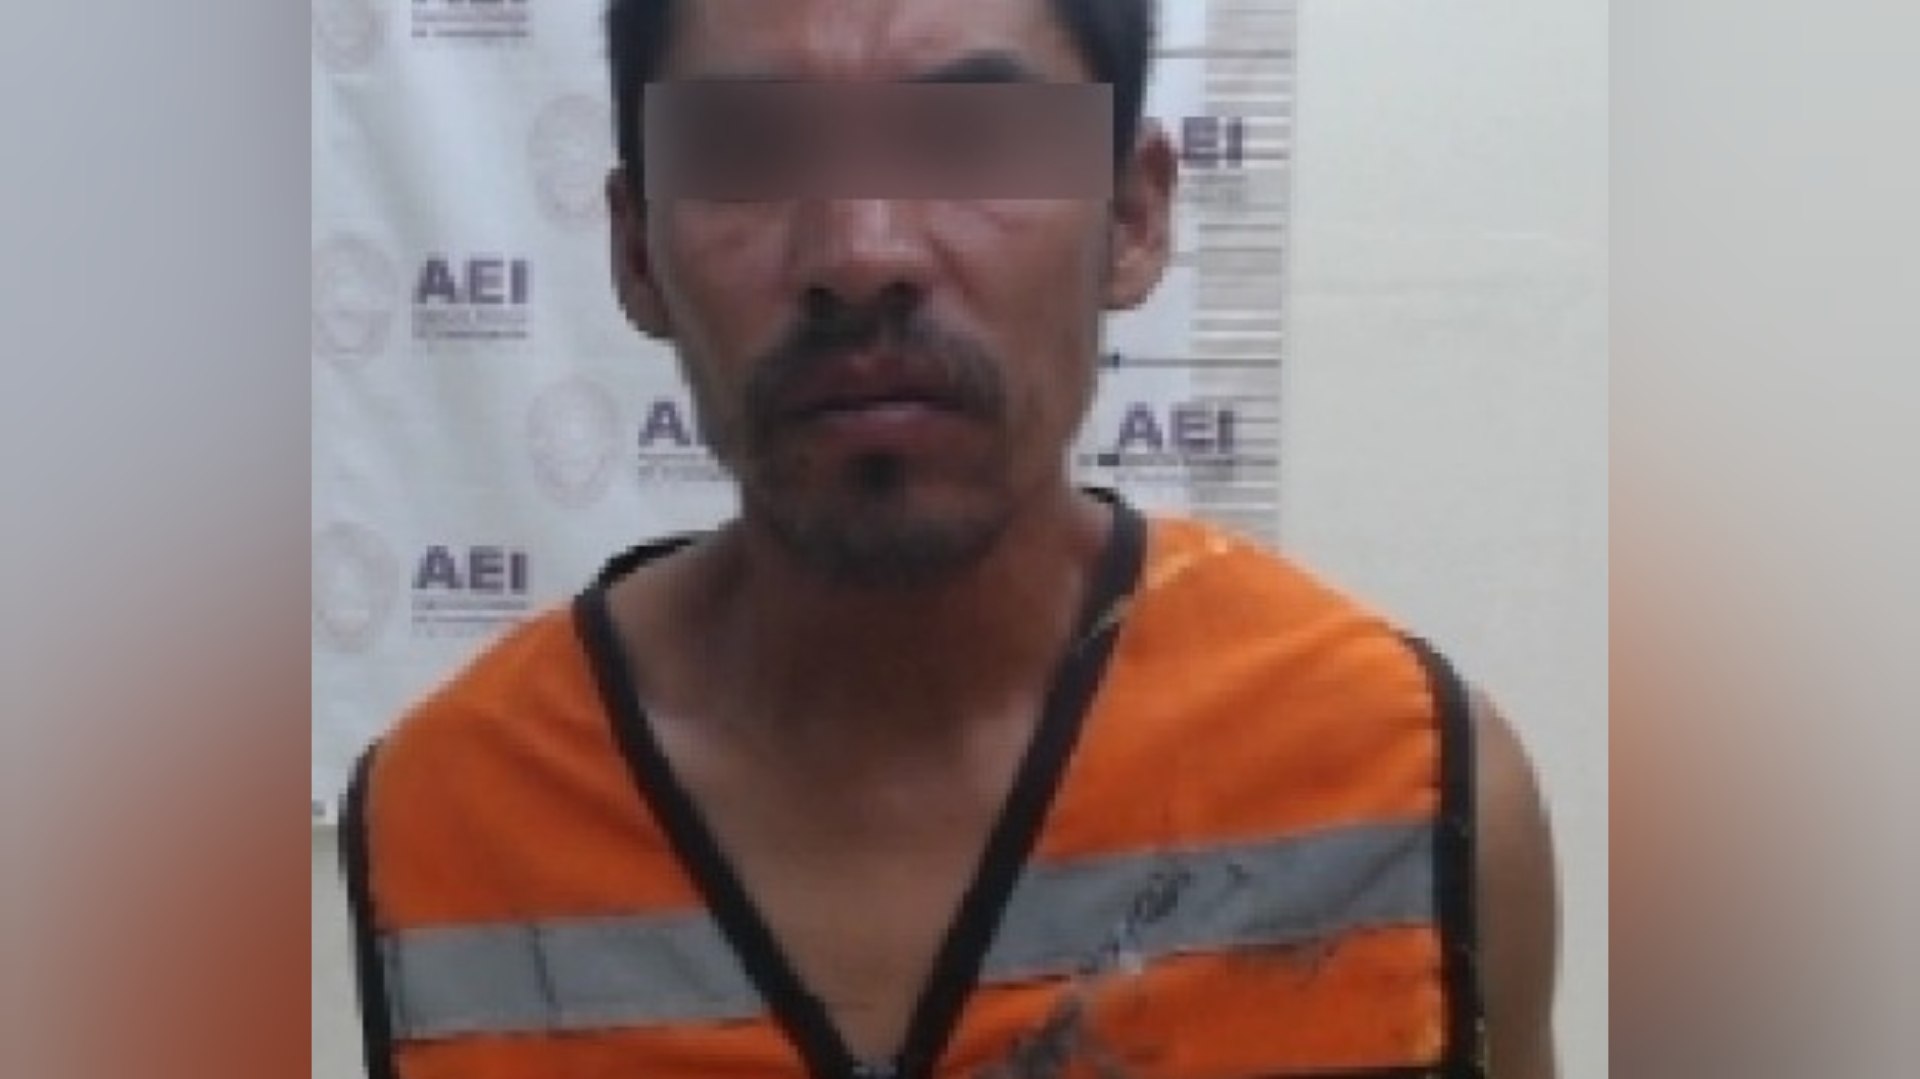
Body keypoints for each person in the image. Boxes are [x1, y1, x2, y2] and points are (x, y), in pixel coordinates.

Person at [341, 1, 1561, 1077]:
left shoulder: (1406, 780)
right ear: (635, 250)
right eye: (751, 150)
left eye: (972, 139)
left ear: (1133, 214)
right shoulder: (452, 817)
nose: (861, 248)